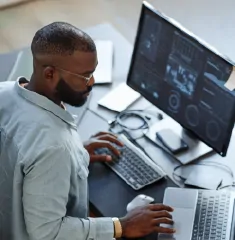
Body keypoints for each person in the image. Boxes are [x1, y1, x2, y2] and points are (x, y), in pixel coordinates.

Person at [0, 22, 175, 240]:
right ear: (50, 74)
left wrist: (75, 156)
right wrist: (121, 225)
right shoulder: (54, 146)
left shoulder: (4, 92)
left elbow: (19, 152)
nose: (91, 82)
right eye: (84, 76)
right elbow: (47, 233)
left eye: (93, 72)